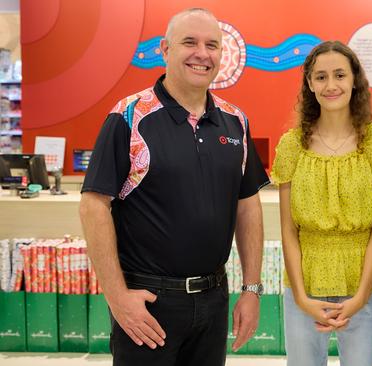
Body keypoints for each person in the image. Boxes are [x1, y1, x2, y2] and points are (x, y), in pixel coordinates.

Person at [79, 8, 269, 366]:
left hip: (214, 299)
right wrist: (118, 297)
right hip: (149, 303)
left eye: (212, 45)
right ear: (165, 49)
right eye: (189, 43)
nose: (202, 53)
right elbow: (93, 206)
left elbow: (248, 205)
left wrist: (252, 290)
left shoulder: (235, 122)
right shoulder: (129, 116)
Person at [271, 41, 372, 366]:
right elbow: (288, 229)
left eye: (340, 75)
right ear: (310, 84)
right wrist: (300, 296)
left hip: (362, 287)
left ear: (354, 80)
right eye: (321, 77)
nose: (331, 85)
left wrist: (360, 297)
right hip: (305, 286)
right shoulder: (291, 145)